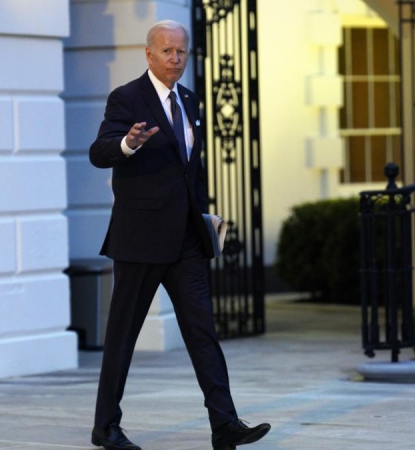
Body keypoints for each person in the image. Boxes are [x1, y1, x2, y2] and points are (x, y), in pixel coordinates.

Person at [88, 19, 271, 450]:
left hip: (186, 241)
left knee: (202, 332)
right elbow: (100, 152)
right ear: (149, 54)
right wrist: (128, 144)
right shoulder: (127, 98)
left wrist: (205, 216)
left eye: (181, 52)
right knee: (122, 337)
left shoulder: (189, 100)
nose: (175, 59)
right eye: (167, 51)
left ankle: (225, 425)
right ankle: (106, 427)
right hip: (139, 240)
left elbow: (191, 170)